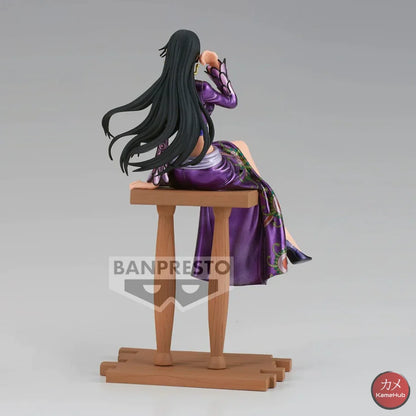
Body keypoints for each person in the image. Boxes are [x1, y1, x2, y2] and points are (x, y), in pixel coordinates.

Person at [102, 29, 311, 286]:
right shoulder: (200, 89)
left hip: (179, 172)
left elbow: (163, 141)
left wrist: (156, 179)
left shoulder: (165, 91)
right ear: (194, 58)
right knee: (254, 175)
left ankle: (286, 237)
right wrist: (214, 66)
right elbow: (232, 101)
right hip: (210, 173)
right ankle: (285, 239)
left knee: (235, 147)